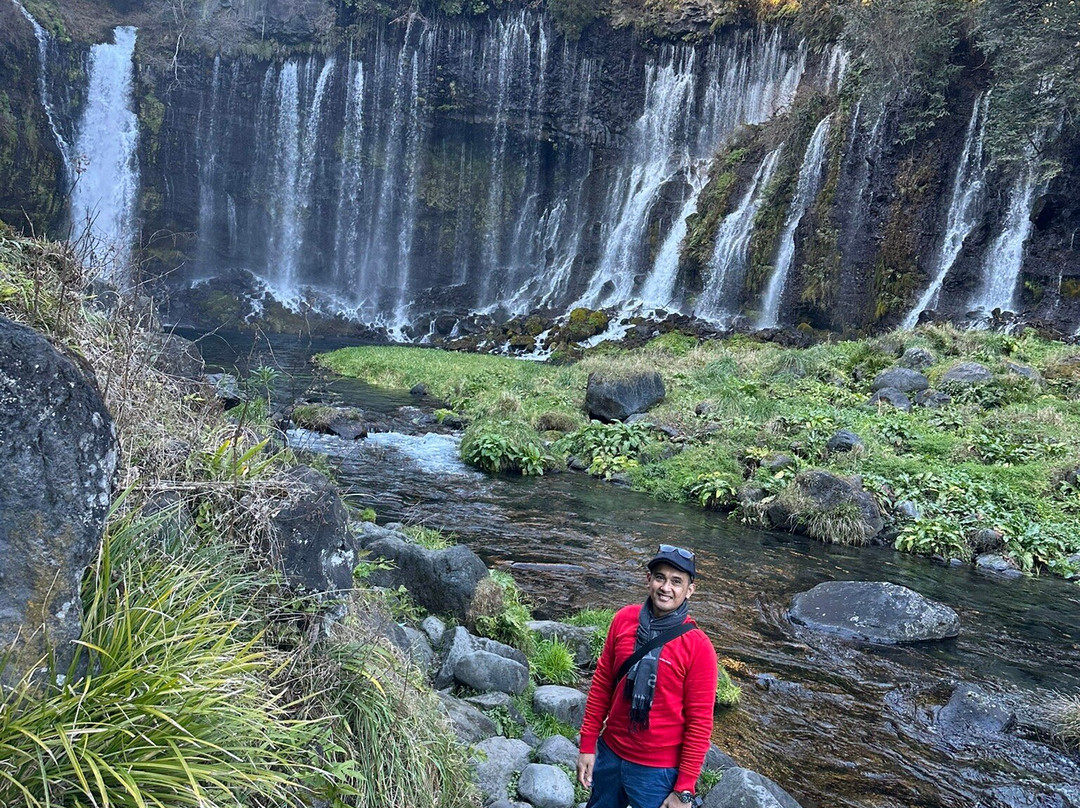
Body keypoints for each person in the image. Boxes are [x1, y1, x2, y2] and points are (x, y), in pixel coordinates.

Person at [576, 544, 719, 808]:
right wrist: (587, 745)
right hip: (610, 754)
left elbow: (699, 724)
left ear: (690, 590)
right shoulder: (623, 620)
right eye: (660, 578)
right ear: (648, 580)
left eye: (677, 582)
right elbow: (602, 685)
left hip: (658, 771)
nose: (666, 588)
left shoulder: (699, 647)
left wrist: (684, 789)